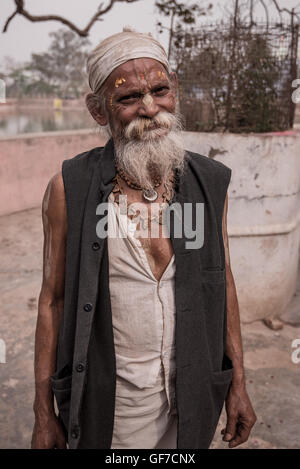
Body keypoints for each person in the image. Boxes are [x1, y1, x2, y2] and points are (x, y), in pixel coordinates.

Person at [31, 28, 256, 450]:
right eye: (129, 98)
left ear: (177, 93)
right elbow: (52, 301)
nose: (150, 108)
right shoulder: (70, 188)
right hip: (111, 403)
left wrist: (238, 383)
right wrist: (43, 412)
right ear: (99, 111)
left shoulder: (209, 182)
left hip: (191, 395)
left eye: (159, 90)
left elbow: (221, 282)